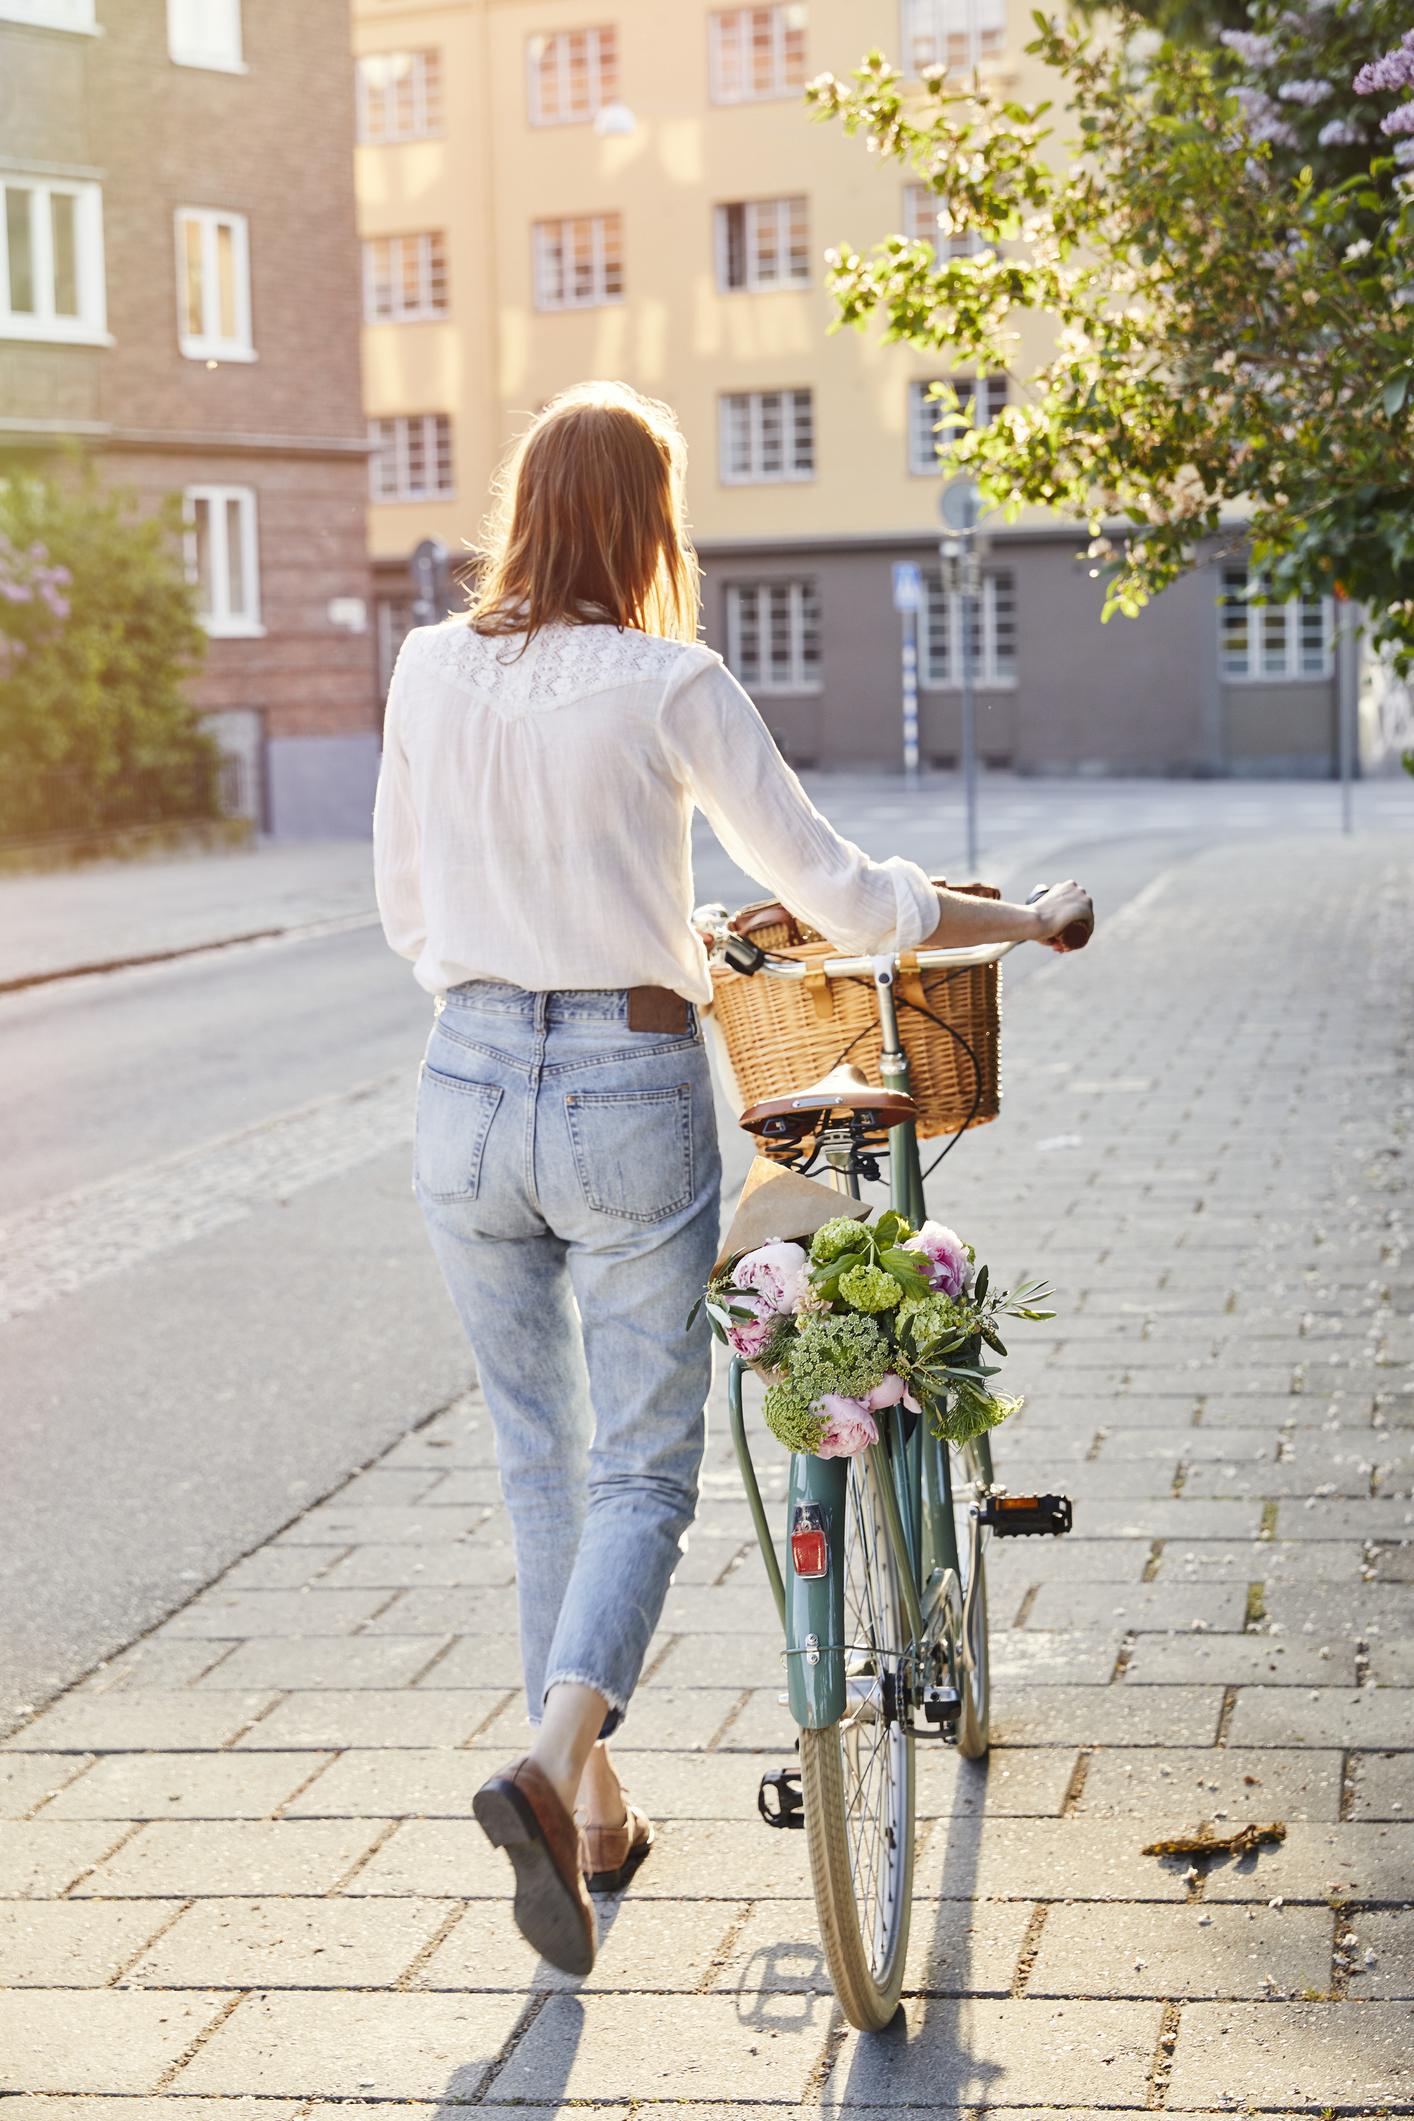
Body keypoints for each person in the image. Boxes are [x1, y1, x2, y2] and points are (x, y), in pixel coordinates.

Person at [372, 378, 1091, 1976]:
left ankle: (598, 1818)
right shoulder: (669, 677)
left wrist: (529, 970)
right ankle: (550, 1769)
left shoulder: (426, 663)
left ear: (521, 508)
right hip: (624, 1090)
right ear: (648, 524)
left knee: (533, 1464)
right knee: (640, 1471)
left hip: (463, 1085)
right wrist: (1012, 917)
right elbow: (832, 888)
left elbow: (407, 901)